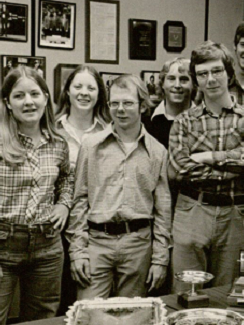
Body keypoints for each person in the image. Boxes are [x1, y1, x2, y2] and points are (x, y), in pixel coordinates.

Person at [0, 66, 73, 325]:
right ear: (8, 103)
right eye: (19, 96)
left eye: (35, 93)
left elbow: (67, 180)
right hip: (2, 247)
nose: (29, 101)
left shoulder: (58, 143)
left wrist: (63, 204)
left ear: (46, 98)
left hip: (48, 248)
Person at [169, 41, 244, 292]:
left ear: (229, 73)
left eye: (217, 71)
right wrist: (237, 161)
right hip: (192, 211)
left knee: (230, 293)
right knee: (186, 294)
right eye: (202, 74)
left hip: (235, 214)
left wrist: (209, 157)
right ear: (196, 80)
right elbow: (181, 169)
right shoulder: (183, 122)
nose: (210, 79)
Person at [67, 74, 172, 300]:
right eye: (114, 103)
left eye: (128, 103)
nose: (120, 109)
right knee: (88, 313)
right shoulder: (91, 146)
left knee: (133, 316)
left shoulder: (157, 152)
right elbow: (79, 201)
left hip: (138, 244)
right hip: (97, 243)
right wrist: (77, 252)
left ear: (142, 105)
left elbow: (163, 211)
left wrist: (160, 260)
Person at [54, 65, 110, 314]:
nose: (84, 93)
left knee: (89, 295)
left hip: (96, 227)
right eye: (78, 86)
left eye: (91, 87)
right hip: (57, 226)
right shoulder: (51, 130)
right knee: (61, 298)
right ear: (67, 92)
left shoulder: (109, 131)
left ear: (99, 94)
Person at [142, 58, 195, 149]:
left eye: (184, 79)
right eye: (171, 79)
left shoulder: (205, 119)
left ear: (194, 84)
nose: (177, 85)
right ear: (162, 84)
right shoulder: (145, 120)